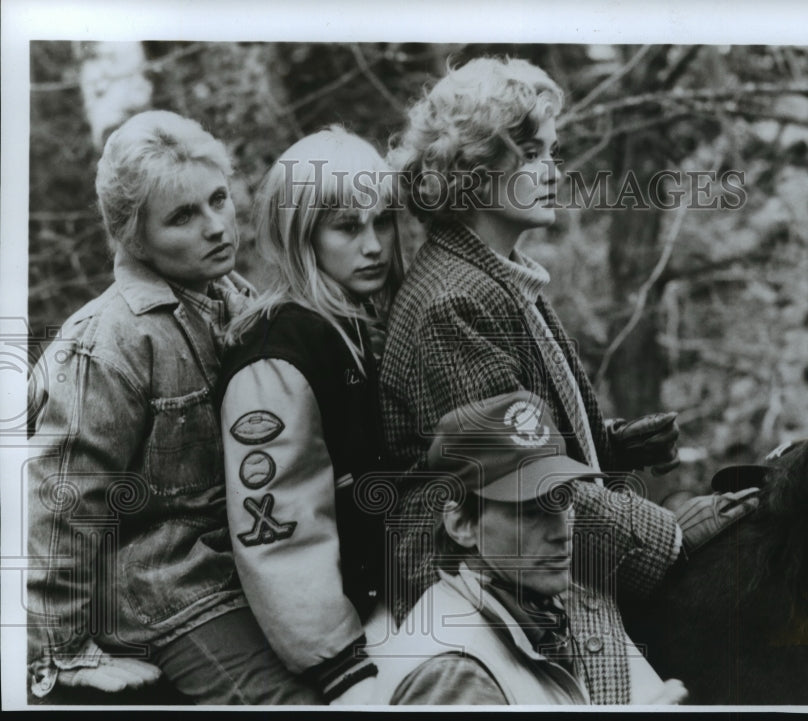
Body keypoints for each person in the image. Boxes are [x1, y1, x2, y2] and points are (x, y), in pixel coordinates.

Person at [380, 56, 758, 704]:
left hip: (531, 554)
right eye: (530, 154)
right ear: (472, 175)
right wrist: (666, 533)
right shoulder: (453, 301)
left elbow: (534, 440)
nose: (553, 170)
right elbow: (512, 478)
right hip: (490, 592)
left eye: (549, 151)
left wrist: (608, 443)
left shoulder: (500, 274)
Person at [26, 110, 323, 704]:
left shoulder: (235, 301)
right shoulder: (109, 344)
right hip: (166, 590)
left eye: (218, 199)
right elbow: (62, 502)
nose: (216, 227)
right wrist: (61, 652)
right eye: (182, 217)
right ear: (134, 237)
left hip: (250, 566)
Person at [219, 126, 404, 704]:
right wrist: (340, 664)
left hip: (392, 599)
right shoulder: (277, 354)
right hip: (344, 643)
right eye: (348, 227)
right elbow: (277, 527)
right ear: (301, 235)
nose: (373, 245)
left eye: (383, 221)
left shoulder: (356, 321)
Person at [372, 391, 689, 706]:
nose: (561, 531)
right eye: (530, 510)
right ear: (461, 524)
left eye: (563, 499)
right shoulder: (454, 674)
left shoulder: (529, 611)